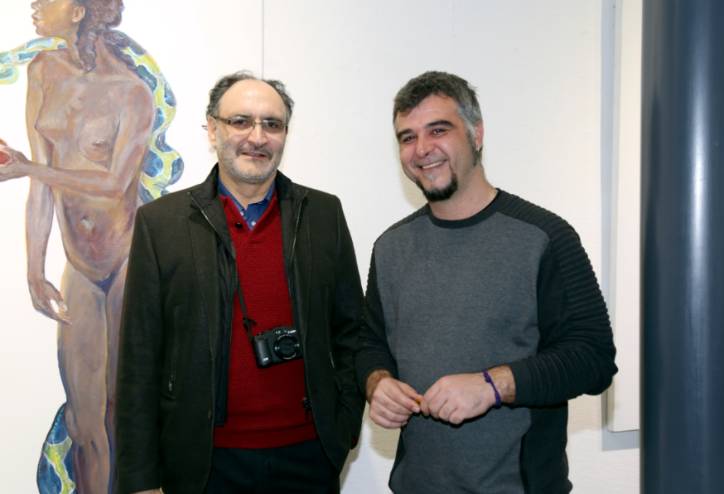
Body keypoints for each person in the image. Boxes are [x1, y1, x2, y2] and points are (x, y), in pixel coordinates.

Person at [355, 71, 618, 493]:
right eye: (407, 137)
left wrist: (493, 386)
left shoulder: (544, 237)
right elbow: (369, 343)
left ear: (476, 134)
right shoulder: (390, 248)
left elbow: (593, 359)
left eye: (438, 130)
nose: (422, 149)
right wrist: (377, 381)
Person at [115, 71, 365, 494]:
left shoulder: (323, 215)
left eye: (272, 124)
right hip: (203, 464)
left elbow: (352, 333)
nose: (257, 137)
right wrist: (141, 480)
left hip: (309, 459)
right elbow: (139, 358)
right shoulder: (161, 224)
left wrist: (342, 429)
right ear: (212, 130)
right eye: (241, 121)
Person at [0, 1, 181, 492]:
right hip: (79, 265)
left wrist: (28, 167)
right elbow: (41, 186)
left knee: (123, 413)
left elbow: (114, 183)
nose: (35, 5)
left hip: (128, 262)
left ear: (80, 11)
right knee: (84, 426)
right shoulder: (42, 72)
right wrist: (34, 270)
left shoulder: (131, 92)